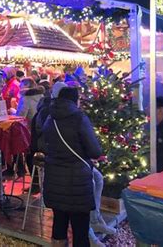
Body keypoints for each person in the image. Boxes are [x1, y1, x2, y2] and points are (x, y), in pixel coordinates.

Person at [42, 87, 102, 247]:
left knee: (59, 223)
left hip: (55, 180)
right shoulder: (79, 118)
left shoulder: (50, 118)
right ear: (75, 100)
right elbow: (95, 150)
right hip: (77, 183)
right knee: (80, 227)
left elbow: (42, 144)